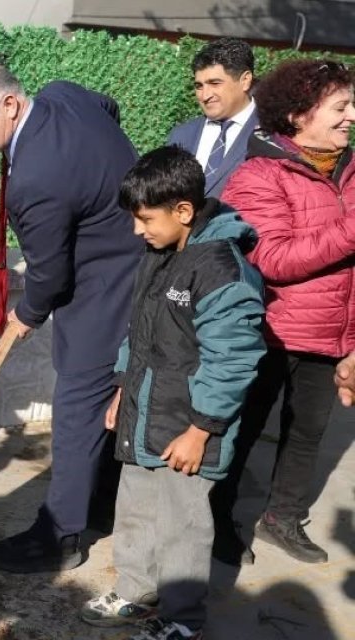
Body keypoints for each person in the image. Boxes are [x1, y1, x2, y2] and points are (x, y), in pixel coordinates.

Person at [0, 61, 142, 573]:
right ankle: (99, 506)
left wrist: (26, 314)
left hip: (104, 293)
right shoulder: (64, 95)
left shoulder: (35, 181)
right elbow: (110, 108)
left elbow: (50, 277)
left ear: (9, 105)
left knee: (78, 410)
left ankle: (61, 535)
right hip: (139, 264)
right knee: (107, 405)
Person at [78, 146, 265, 640]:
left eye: (144, 219)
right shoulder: (160, 255)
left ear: (183, 210)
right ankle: (136, 590)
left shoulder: (222, 269)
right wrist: (123, 390)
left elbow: (234, 358)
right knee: (136, 506)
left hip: (189, 426)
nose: (138, 230)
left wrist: (201, 429)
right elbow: (139, 333)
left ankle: (184, 619)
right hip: (145, 412)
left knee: (183, 524)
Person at [217, 59, 355, 566]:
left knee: (306, 435)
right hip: (269, 332)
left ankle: (283, 519)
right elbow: (270, 258)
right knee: (240, 430)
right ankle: (216, 520)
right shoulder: (259, 175)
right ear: (299, 115)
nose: (352, 116)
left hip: (331, 333)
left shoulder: (351, 169)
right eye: (340, 107)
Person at [166, 38, 258, 198]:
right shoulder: (181, 136)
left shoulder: (275, 133)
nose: (205, 95)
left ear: (245, 80)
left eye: (215, 83)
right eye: (199, 86)